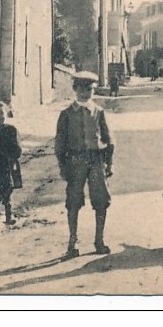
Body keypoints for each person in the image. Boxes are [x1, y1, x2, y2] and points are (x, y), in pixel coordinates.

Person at [55, 70, 114, 257]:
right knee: (73, 201)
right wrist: (63, 166)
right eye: (81, 89)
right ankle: (72, 243)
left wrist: (109, 163)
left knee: (101, 200)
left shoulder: (98, 112)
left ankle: (99, 240)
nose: (85, 93)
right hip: (75, 160)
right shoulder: (66, 114)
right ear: (74, 89)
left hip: (95, 160)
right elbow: (59, 143)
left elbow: (108, 138)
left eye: (89, 89)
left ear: (93, 91)